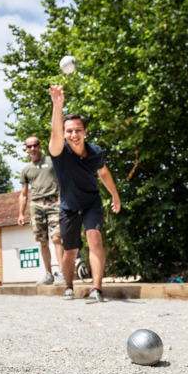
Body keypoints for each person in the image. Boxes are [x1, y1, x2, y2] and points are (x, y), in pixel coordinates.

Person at [48, 85, 121, 302]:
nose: (73, 134)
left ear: (85, 132)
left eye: (78, 130)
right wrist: (57, 106)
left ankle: (96, 289)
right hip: (69, 207)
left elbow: (104, 173)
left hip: (91, 203)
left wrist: (115, 196)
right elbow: (55, 133)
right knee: (70, 251)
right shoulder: (59, 152)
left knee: (94, 237)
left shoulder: (95, 151)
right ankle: (69, 286)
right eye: (69, 130)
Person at [18, 136, 65, 285]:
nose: (32, 148)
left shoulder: (51, 161)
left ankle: (62, 273)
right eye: (29, 146)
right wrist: (21, 213)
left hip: (54, 201)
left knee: (57, 238)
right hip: (36, 205)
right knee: (43, 241)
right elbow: (23, 194)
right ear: (26, 149)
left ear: (40, 146)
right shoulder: (26, 170)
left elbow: (64, 179)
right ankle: (48, 274)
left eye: (35, 145)